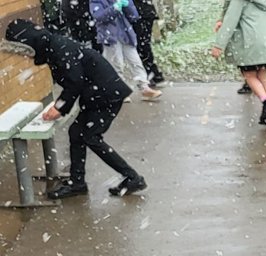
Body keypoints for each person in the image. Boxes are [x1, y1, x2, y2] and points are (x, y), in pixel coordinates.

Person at [5, 19, 147, 198]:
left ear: (29, 41)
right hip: (97, 95)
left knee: (91, 137)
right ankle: (77, 182)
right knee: (76, 133)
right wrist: (60, 106)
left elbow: (75, 81)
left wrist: (59, 108)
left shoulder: (58, 48)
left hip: (106, 96)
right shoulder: (52, 46)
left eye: (24, 49)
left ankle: (133, 177)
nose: (25, 55)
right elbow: (74, 80)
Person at [211, 0, 266, 126]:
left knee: (249, 75)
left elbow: (230, 21)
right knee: (263, 76)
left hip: (250, 41)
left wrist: (219, 45)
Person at [89, 0, 161, 99]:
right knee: (116, 64)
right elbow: (99, 16)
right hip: (109, 37)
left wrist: (127, 6)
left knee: (135, 61)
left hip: (126, 34)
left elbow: (134, 16)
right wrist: (114, 8)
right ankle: (119, 91)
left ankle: (144, 87)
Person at [130, 0, 163, 86]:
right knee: (142, 44)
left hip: (141, 13)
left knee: (141, 45)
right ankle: (151, 73)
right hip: (142, 12)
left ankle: (151, 73)